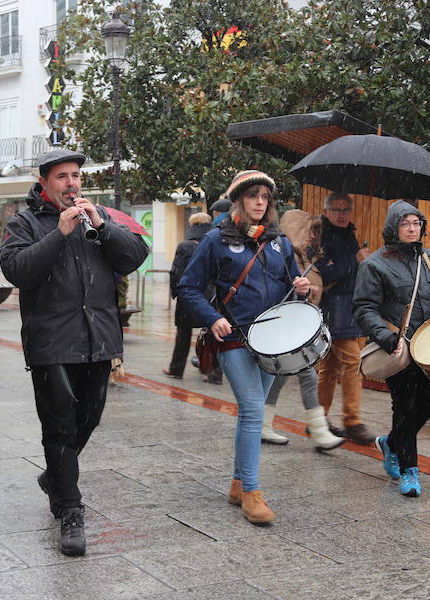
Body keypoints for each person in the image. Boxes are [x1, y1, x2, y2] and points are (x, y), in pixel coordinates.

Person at [0, 149, 149, 556]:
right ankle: (70, 510)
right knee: (60, 427)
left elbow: (135, 256)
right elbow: (17, 270)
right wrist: (58, 234)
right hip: (51, 343)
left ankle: (55, 477)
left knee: (91, 416)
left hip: (97, 338)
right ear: (45, 182)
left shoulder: (98, 215)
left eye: (76, 176)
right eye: (63, 176)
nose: (72, 183)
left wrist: (103, 227)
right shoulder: (24, 222)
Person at [178, 170, 310, 524]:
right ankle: (252, 493)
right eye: (253, 196)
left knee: (251, 412)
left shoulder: (279, 240)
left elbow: (289, 281)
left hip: (273, 339)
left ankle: (238, 483)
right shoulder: (217, 240)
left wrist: (301, 287)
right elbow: (188, 287)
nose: (259, 203)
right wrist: (210, 317)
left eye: (265, 197)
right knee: (253, 409)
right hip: (233, 336)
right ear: (239, 200)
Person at [354, 201, 430, 497]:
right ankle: (409, 470)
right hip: (398, 348)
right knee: (405, 405)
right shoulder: (375, 264)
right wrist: (387, 338)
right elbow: (364, 309)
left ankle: (391, 442)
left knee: (428, 404)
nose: (412, 229)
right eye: (406, 223)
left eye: (416, 223)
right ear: (393, 227)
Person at [262, 210, 344, 451]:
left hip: (297, 326)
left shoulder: (307, 258)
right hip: (284, 325)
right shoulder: (285, 257)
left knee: (278, 377)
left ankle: (263, 425)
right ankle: (319, 432)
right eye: (309, 230)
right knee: (306, 375)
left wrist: (312, 289)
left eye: (315, 231)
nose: (312, 236)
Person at [313, 192, 375, 444]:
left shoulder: (348, 234)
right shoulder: (320, 235)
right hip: (332, 308)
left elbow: (348, 272)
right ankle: (352, 421)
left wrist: (362, 261)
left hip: (347, 307)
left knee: (329, 367)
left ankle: (319, 419)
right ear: (326, 211)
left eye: (346, 210)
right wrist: (356, 259)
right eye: (336, 209)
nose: (342, 214)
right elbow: (325, 273)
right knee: (353, 363)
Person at [163, 212, 212, 379]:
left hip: (188, 296)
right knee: (213, 335)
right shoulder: (214, 244)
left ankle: (176, 369)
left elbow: (176, 272)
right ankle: (212, 373)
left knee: (183, 335)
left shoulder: (185, 246)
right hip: (210, 297)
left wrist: (175, 293)